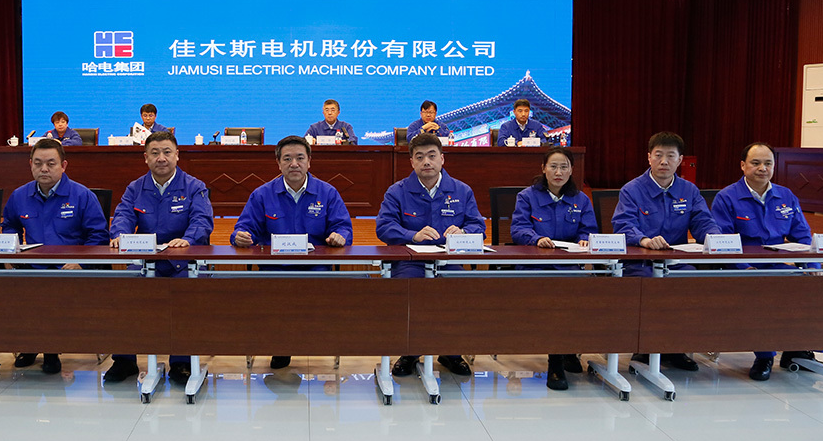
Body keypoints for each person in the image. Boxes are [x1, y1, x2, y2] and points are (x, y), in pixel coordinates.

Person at [232, 135, 353, 370]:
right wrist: (240, 235)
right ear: (278, 164)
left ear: (309, 161)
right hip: (274, 268)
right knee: (275, 293)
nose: (294, 164)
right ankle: (282, 344)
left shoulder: (327, 193)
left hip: (316, 268)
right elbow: (244, 227)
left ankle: (305, 339)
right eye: (287, 159)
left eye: (300, 158)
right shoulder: (262, 194)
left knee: (317, 291)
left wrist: (340, 236)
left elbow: (343, 227)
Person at [107, 131, 214, 385]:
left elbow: (202, 220)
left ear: (177, 155)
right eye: (154, 153)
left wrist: (188, 239)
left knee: (186, 296)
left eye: (167, 152)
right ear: (146, 158)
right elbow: (123, 215)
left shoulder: (194, 186)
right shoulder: (135, 188)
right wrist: (119, 234)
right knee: (123, 290)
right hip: (146, 261)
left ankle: (182, 363)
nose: (161, 158)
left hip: (184, 262)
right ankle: (124, 361)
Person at [376, 133, 485, 378]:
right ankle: (410, 352)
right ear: (412, 162)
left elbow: (478, 227)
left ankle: (451, 352)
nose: (426, 162)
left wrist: (463, 232)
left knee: (459, 291)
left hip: (448, 261)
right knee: (409, 293)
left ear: (442, 159)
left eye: (432, 156)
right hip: (410, 261)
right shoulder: (397, 191)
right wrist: (412, 235)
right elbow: (383, 227)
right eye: (420, 157)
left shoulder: (461, 190)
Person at [613, 131, 720, 372]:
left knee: (692, 282)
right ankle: (646, 348)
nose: (664, 161)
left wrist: (715, 238)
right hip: (640, 263)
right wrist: (643, 240)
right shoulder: (632, 190)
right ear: (648, 157)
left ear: (680, 160)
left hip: (676, 263)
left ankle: (674, 348)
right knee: (650, 286)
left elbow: (703, 221)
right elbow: (623, 225)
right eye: (658, 155)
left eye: (670, 156)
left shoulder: (689, 190)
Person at [0, 138, 109, 374]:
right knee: (7, 284)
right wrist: (10, 251)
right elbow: (9, 225)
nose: (44, 169)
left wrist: (81, 263)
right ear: (30, 164)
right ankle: (30, 344)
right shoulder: (19, 196)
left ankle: (50, 350)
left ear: (63, 165)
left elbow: (99, 235)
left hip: (70, 269)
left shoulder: (82, 195)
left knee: (48, 289)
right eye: (38, 163)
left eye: (51, 163)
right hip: (33, 266)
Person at [712, 142, 816, 381]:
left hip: (777, 263)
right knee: (761, 288)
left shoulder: (786, 195)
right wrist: (743, 266)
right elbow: (721, 241)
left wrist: (812, 266)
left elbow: (802, 236)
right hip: (742, 266)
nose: (762, 168)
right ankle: (765, 356)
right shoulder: (727, 197)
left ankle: (797, 349)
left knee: (812, 284)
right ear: (743, 165)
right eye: (756, 163)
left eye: (768, 163)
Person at [510, 147, 599, 391]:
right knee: (556, 298)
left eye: (563, 167)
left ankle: (568, 348)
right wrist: (536, 238)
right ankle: (556, 361)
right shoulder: (527, 197)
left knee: (584, 294)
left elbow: (588, 230)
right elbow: (518, 229)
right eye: (553, 167)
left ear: (571, 171)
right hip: (534, 266)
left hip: (569, 266)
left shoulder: (581, 200)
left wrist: (585, 239)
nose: (558, 172)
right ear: (543, 169)